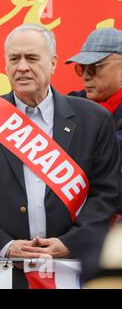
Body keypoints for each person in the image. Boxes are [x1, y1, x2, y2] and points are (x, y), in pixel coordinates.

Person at [0, 24, 120, 288]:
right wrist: (6, 246)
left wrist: (70, 243)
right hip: (4, 271)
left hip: (75, 269)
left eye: (31, 58)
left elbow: (106, 194)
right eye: (14, 59)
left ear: (53, 62)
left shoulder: (94, 120)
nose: (21, 67)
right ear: (5, 65)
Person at [65, 28, 122, 282]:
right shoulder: (68, 110)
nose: (86, 75)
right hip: (73, 246)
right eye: (81, 68)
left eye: (95, 66)